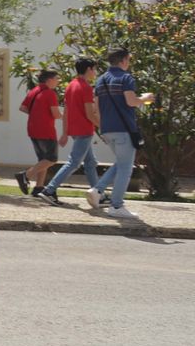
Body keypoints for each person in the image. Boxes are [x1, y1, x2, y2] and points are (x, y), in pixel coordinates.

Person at [92, 47, 155, 219]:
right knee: (126, 168)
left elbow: (96, 108)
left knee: (121, 162)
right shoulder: (126, 78)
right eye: (129, 59)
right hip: (124, 129)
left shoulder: (101, 80)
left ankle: (97, 189)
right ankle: (116, 205)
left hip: (107, 129)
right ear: (124, 60)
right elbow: (131, 101)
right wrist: (145, 98)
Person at [35, 57, 103, 207]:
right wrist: (103, 127)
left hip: (75, 130)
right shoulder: (85, 87)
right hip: (84, 130)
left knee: (90, 163)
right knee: (74, 162)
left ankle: (98, 194)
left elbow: (66, 111)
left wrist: (65, 132)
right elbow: (90, 114)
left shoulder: (71, 85)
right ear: (89, 69)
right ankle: (49, 190)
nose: (95, 72)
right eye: (94, 69)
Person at [17, 70, 64, 197]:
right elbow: (55, 114)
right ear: (49, 80)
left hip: (33, 129)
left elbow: (23, 108)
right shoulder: (50, 93)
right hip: (46, 130)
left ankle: (38, 187)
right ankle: (25, 175)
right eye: (56, 78)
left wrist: (37, 114)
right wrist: (65, 117)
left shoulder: (34, 91)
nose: (58, 81)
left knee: (42, 160)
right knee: (51, 159)